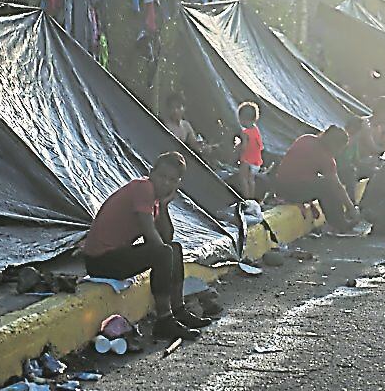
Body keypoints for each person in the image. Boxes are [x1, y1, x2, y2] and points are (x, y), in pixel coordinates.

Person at [83, 152, 210, 340]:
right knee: (165, 253)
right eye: (162, 177)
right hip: (100, 261)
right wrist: (164, 255)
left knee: (175, 249)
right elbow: (152, 237)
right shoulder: (143, 188)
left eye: (172, 180)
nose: (165, 183)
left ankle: (178, 310)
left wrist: (165, 206)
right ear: (152, 173)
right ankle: (165, 320)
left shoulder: (156, 201)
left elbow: (167, 237)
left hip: (115, 256)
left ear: (177, 184)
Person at [275, 126, 360, 233]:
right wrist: (351, 208)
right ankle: (339, 224)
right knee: (327, 186)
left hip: (281, 186)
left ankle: (338, 222)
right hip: (294, 190)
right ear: (335, 145)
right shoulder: (326, 157)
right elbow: (336, 186)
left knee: (323, 183)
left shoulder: (306, 138)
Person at [237, 101, 263, 200]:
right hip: (256, 161)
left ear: (243, 119)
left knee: (243, 178)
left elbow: (244, 147)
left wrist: (237, 147)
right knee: (251, 180)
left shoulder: (245, 132)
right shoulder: (256, 129)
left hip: (247, 160)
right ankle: (252, 198)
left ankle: (246, 198)